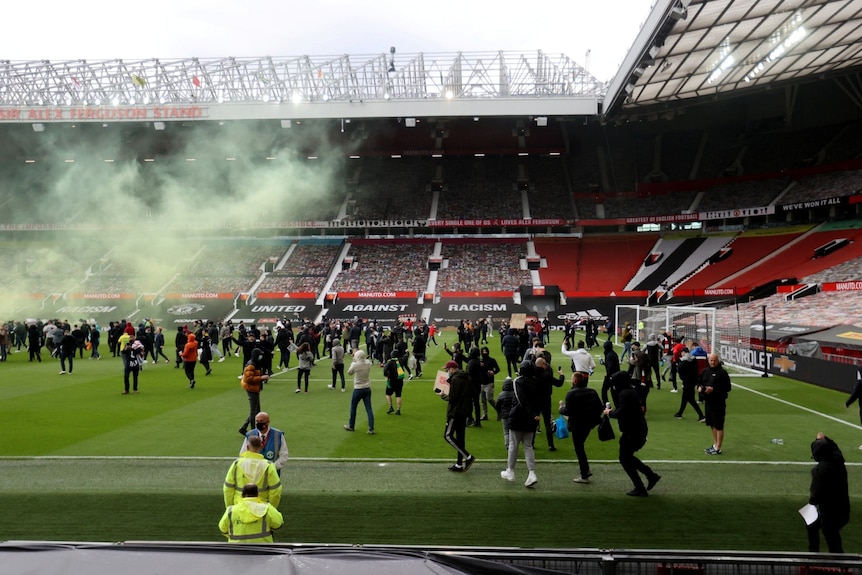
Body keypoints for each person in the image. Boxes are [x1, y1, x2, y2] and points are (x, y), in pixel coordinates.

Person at [604, 372, 661, 497]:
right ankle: (650, 476)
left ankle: (641, 485)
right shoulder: (630, 392)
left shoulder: (625, 394)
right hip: (637, 429)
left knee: (624, 458)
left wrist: (609, 413)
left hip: (633, 431)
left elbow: (622, 412)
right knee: (627, 457)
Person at [806, 432, 850, 553]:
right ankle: (839, 559)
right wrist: (825, 439)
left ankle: (813, 553)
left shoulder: (818, 471)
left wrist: (810, 506)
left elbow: (815, 496)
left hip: (829, 512)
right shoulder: (839, 462)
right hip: (843, 509)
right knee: (832, 534)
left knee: (818, 526)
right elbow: (835, 447)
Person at [500, 360, 540, 487]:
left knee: (513, 445)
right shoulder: (536, 382)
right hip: (531, 418)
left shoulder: (517, 381)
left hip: (518, 416)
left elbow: (521, 398)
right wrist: (535, 414)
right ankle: (532, 473)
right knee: (528, 446)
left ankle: (510, 471)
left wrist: (532, 413)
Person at [559, 372, 603, 484]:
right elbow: (600, 408)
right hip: (588, 424)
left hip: (577, 424)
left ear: (574, 381)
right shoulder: (592, 392)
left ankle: (585, 473)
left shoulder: (571, 394)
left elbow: (568, 411)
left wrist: (561, 408)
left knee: (579, 448)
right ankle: (585, 471)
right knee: (580, 446)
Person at [223, 434, 281, 508]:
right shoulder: (268, 466)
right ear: (261, 447)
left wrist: (230, 508)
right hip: (261, 508)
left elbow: (228, 488)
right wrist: (271, 508)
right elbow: (275, 491)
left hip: (239, 507)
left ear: (247, 447)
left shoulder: (237, 464)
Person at [219, 483, 284, 543]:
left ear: (242, 495)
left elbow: (222, 529)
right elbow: (278, 524)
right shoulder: (267, 508)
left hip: (236, 550)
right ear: (257, 494)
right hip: (263, 550)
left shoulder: (231, 510)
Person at [441, 360, 475, 472]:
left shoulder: (456, 380)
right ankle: (459, 464)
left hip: (455, 412)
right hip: (465, 411)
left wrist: (443, 396)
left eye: (448, 369)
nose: (447, 371)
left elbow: (453, 398)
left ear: (452, 369)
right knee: (460, 438)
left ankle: (468, 457)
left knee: (448, 436)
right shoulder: (467, 377)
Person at [699, 352, 731, 455]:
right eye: (711, 360)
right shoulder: (705, 371)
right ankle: (715, 444)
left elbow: (728, 388)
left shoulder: (722, 373)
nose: (713, 362)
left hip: (719, 402)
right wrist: (700, 388)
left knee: (719, 425)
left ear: (718, 361)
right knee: (712, 424)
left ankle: (718, 447)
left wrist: (714, 389)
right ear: (708, 360)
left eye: (714, 360)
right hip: (708, 402)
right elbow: (700, 382)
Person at [534, 357, 564, 451]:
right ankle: (551, 445)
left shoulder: (532, 375)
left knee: (534, 423)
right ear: (542, 364)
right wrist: (561, 375)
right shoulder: (546, 375)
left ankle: (531, 443)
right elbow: (559, 383)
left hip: (535, 401)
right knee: (547, 423)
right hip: (546, 401)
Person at [238, 348, 269, 435]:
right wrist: (261, 378)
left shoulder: (255, 364)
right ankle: (253, 431)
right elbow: (248, 379)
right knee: (254, 411)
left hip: (254, 388)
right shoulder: (251, 365)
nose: (261, 357)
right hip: (251, 388)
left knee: (257, 410)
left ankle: (244, 428)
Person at [344, 349, 375, 434]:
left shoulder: (355, 365)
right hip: (367, 388)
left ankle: (351, 425)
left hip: (358, 388)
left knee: (353, 407)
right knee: (369, 408)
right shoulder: (367, 363)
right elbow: (365, 360)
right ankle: (371, 428)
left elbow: (349, 372)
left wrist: (353, 360)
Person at [673, 348, 705, 422]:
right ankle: (680, 413)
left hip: (686, 382)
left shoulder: (682, 361)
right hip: (693, 381)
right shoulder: (694, 360)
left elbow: (680, 371)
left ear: (683, 352)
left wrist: (683, 379)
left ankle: (701, 416)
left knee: (690, 399)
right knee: (685, 398)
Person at [383, 351, 404, 415]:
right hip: (399, 380)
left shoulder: (390, 362)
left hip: (391, 380)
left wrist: (386, 375)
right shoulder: (401, 361)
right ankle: (398, 410)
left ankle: (390, 406)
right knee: (398, 395)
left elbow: (385, 370)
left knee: (388, 393)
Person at [600, 339, 621, 405]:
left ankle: (606, 404)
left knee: (605, 390)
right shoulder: (612, 354)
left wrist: (608, 375)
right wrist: (605, 363)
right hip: (615, 375)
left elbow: (611, 366)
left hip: (612, 376)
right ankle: (617, 404)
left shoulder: (609, 355)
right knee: (613, 391)